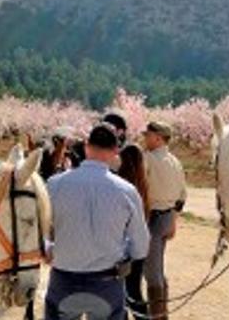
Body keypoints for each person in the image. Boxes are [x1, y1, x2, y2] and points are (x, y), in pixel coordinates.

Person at [45, 123, 150, 320]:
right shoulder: (126, 190)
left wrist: (48, 247)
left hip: (63, 279)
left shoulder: (55, 184)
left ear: (86, 146)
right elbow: (141, 246)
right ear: (115, 151)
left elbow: (37, 230)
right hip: (107, 281)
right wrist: (122, 250)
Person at [142, 121, 186, 320]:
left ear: (158, 138)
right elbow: (182, 197)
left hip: (153, 216)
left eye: (148, 135)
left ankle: (158, 316)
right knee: (157, 267)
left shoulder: (148, 159)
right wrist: (174, 221)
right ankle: (162, 313)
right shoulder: (175, 161)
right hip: (168, 216)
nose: (145, 138)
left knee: (152, 271)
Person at [117, 143, 150, 320]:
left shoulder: (123, 186)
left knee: (120, 294)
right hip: (138, 247)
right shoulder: (142, 183)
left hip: (122, 248)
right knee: (135, 292)